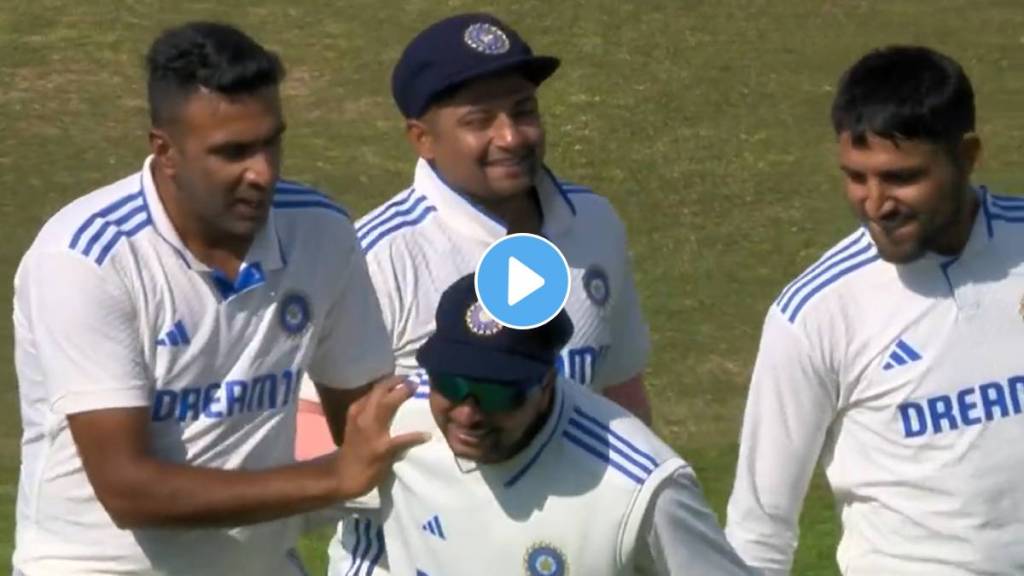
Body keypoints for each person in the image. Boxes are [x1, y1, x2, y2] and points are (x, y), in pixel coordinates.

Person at [11, 21, 423, 576]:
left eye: (271, 141)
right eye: (233, 153)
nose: (263, 172)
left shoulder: (319, 230)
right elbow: (127, 489)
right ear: (166, 151)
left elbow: (369, 413)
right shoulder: (87, 258)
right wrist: (333, 477)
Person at [293, 11, 656, 573]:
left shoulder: (595, 223)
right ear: (423, 138)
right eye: (480, 120)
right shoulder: (375, 257)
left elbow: (621, 391)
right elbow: (313, 431)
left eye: (524, 111)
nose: (511, 137)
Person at [724, 45, 1024, 575]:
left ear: (968, 155)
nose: (875, 203)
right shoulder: (815, 314)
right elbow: (759, 529)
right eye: (857, 177)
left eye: (902, 177)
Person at [358, 273, 751, 575]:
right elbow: (361, 540)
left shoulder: (642, 489)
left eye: (496, 394)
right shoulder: (395, 420)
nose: (467, 414)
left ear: (546, 383)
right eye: (451, 384)